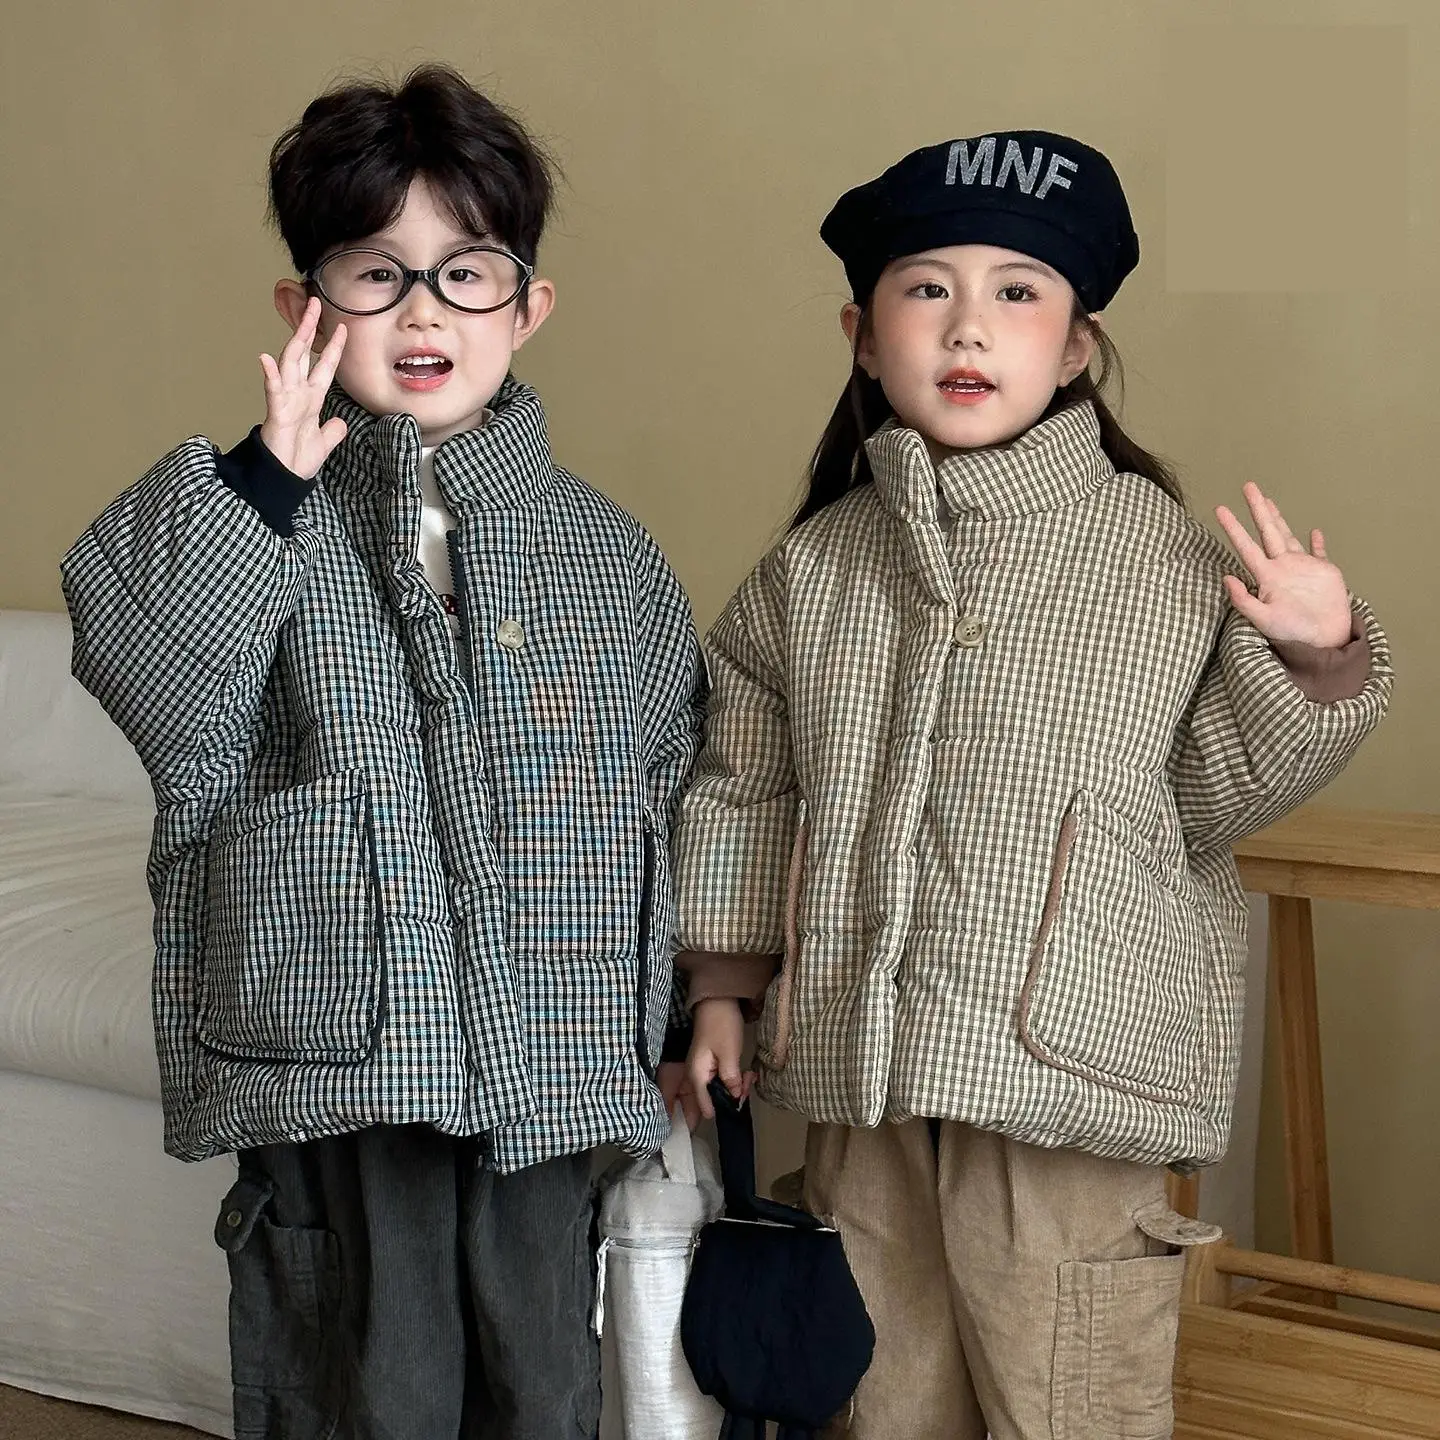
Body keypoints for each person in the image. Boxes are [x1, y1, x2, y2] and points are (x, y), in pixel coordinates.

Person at [672, 130, 1393, 1439]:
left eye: (1017, 292)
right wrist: (723, 983)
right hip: (862, 1072)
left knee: (1068, 1400)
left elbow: (1212, 793)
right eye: (926, 288)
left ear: (1073, 348)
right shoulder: (814, 570)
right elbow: (745, 779)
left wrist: (1314, 652)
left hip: (1071, 1076)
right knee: (878, 1401)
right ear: (862, 336)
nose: (968, 325)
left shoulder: (1154, 555)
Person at [61, 64, 704, 1440]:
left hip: (555, 1043)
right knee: (366, 1378)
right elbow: (150, 674)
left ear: (528, 307)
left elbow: (665, 787)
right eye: (375, 272)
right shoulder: (258, 517)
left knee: (543, 1375)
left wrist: (672, 1012)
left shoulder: (609, 556)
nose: (422, 311)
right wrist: (262, 477)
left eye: (466, 273)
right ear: (306, 305)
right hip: (344, 1040)